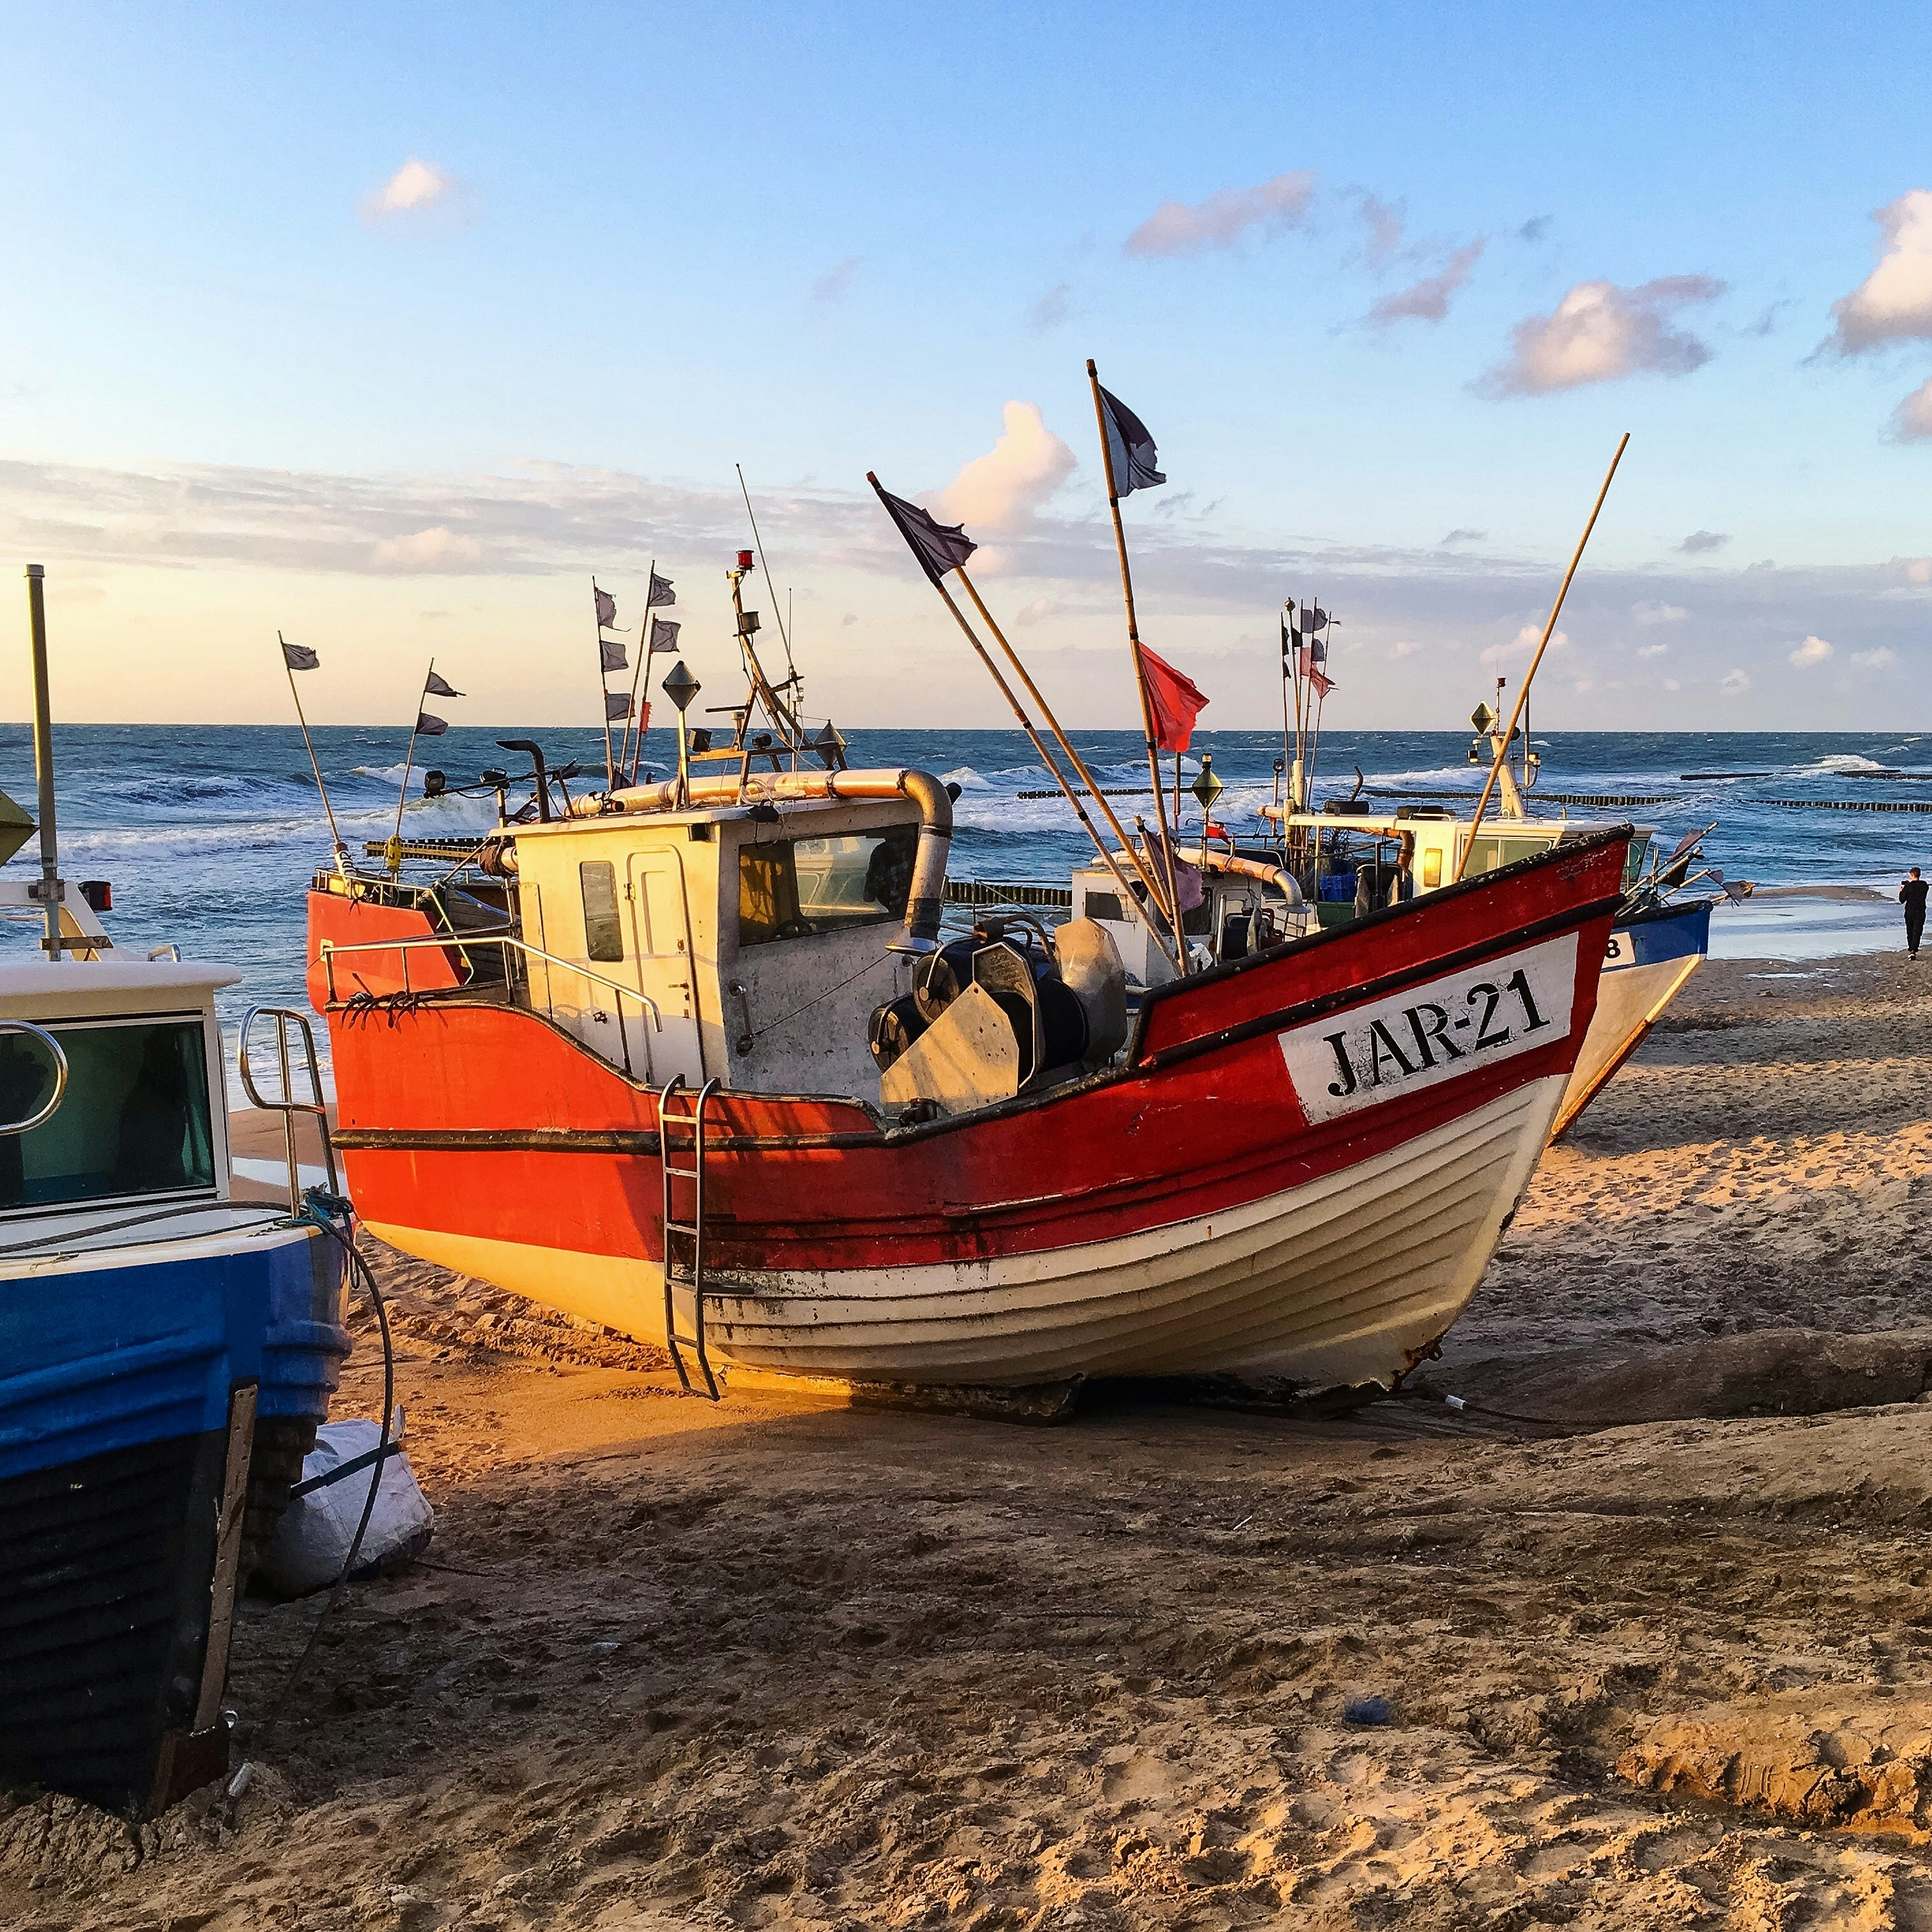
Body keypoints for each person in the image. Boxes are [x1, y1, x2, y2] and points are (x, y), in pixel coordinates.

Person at [1901, 868, 1928, 960]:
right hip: (1920, 911)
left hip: (1910, 911)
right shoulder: (1924, 885)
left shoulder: (1908, 887)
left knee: (1910, 930)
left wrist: (1902, 891)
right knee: (1918, 931)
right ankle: (1914, 949)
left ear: (1912, 874)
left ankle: (1912, 950)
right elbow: (1918, 889)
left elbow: (1902, 900)